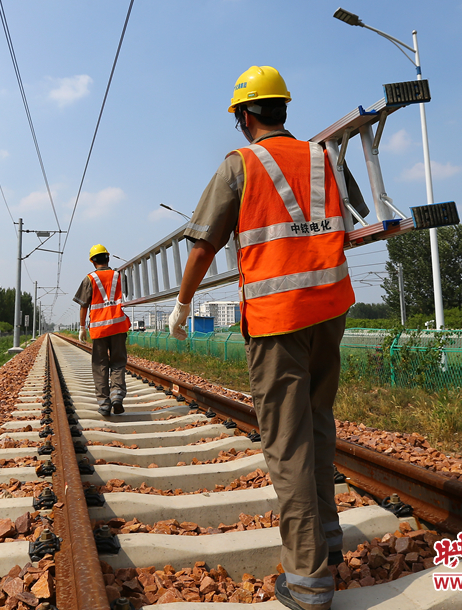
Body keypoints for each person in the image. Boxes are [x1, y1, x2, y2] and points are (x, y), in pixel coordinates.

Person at [168, 66, 365, 610]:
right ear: (283, 108)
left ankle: (307, 580)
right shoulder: (327, 158)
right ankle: (327, 541)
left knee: (287, 443)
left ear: (243, 115)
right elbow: (349, 226)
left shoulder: (240, 166)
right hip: (332, 310)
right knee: (319, 423)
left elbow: (204, 245)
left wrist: (182, 306)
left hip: (280, 319)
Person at [73, 244, 131, 416]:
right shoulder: (119, 276)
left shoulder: (89, 279)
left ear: (92, 261)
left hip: (98, 329)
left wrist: (82, 327)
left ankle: (104, 403)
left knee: (100, 365)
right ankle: (117, 395)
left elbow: (83, 305)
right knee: (118, 362)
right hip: (119, 326)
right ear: (108, 258)